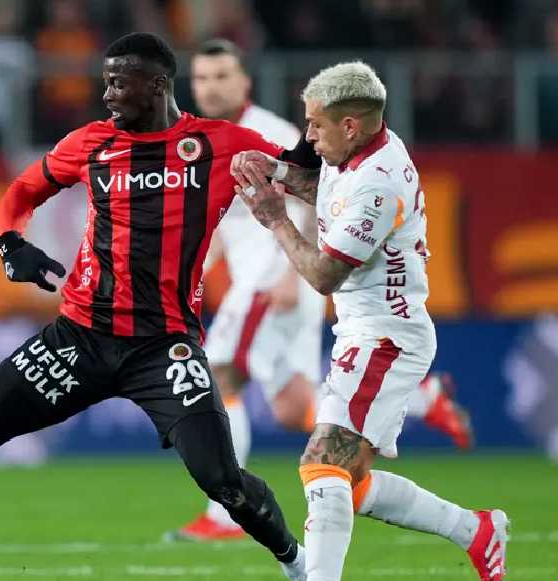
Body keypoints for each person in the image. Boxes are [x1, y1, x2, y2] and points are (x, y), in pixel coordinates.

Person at [0, 32, 354, 581]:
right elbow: (23, 191)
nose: (107, 94)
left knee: (222, 480)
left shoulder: (220, 143)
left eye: (119, 82)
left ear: (157, 85)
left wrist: (317, 137)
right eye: (106, 81)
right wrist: (10, 243)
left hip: (164, 349)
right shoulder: (90, 143)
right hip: (77, 338)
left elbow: (303, 172)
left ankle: (303, 571)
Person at [231, 61, 509, 581]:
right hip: (367, 331)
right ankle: (474, 530)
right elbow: (327, 189)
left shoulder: (379, 184)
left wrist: (276, 220)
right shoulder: (359, 154)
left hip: (383, 336)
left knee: (321, 463)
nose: (308, 136)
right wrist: (275, 171)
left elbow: (323, 274)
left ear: (350, 125)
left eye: (315, 125)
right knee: (349, 482)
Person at [170, 39, 475, 543]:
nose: (211, 87)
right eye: (202, 78)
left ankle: (224, 514)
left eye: (222, 76)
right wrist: (196, 267)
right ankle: (424, 402)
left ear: (244, 81)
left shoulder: (271, 132)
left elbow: (322, 198)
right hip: (263, 277)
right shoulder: (207, 138)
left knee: (219, 377)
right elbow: (226, 220)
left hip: (276, 277)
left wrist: (289, 277)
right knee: (292, 409)